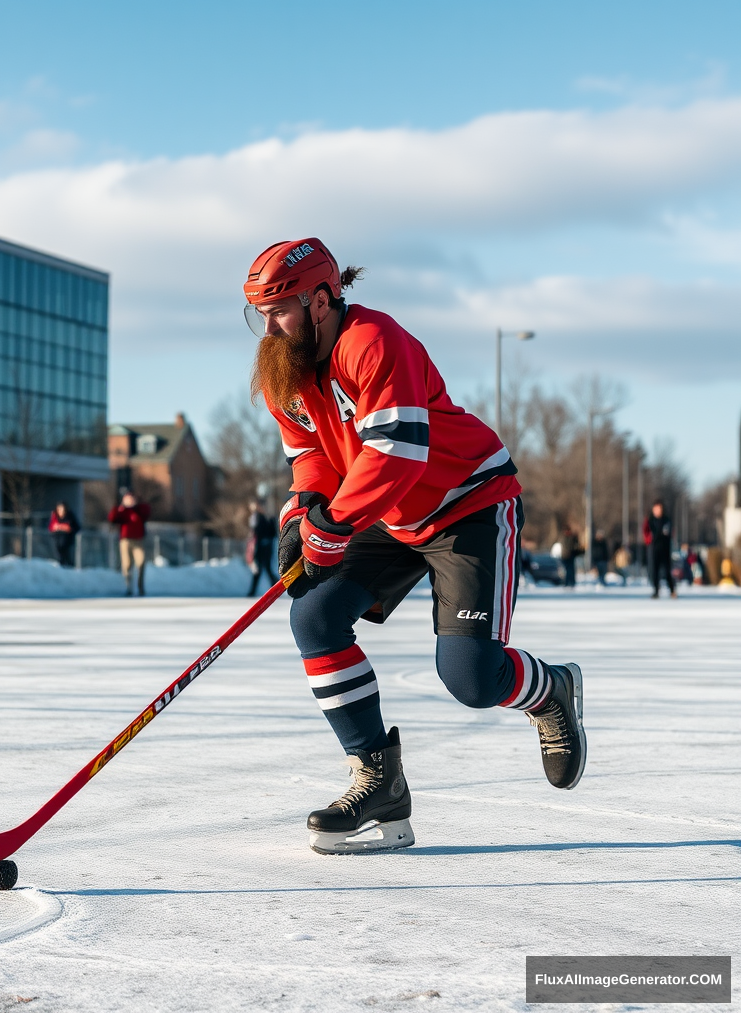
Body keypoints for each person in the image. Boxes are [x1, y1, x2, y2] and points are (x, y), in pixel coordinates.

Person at [244, 238, 585, 854]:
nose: (268, 328)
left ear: (321, 300)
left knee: (470, 680)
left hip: (467, 504)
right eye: (259, 315)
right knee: (315, 616)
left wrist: (335, 524)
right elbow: (311, 457)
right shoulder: (284, 373)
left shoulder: (374, 342)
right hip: (386, 514)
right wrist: (302, 514)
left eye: (279, 310)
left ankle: (551, 689)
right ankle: (378, 780)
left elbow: (398, 451)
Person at [109, 490, 150, 596]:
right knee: (126, 564)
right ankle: (128, 587)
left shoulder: (139, 510)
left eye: (131, 498)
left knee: (141, 563)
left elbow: (147, 511)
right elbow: (112, 518)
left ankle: (141, 587)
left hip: (138, 539)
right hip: (125, 540)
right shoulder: (122, 511)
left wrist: (137, 504)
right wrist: (120, 506)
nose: (130, 500)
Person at [643, 499, 675, 599]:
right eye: (656, 509)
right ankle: (656, 590)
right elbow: (645, 532)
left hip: (665, 548)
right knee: (654, 571)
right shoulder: (650, 520)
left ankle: (672, 590)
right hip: (654, 549)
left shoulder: (666, 520)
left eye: (659, 509)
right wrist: (649, 540)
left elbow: (670, 533)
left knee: (667, 570)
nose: (658, 511)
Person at [246, 499, 277, 596]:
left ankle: (253, 591)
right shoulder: (260, 517)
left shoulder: (261, 517)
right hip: (262, 546)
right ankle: (274, 586)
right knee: (264, 569)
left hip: (262, 547)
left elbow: (258, 531)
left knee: (260, 569)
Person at [48, 501, 80, 567]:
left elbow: (76, 527)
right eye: (59, 509)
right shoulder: (54, 517)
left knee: (67, 554)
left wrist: (67, 528)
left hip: (68, 540)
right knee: (58, 552)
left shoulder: (70, 516)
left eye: (62, 509)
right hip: (57, 539)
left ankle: (69, 565)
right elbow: (50, 527)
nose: (60, 511)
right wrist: (56, 527)